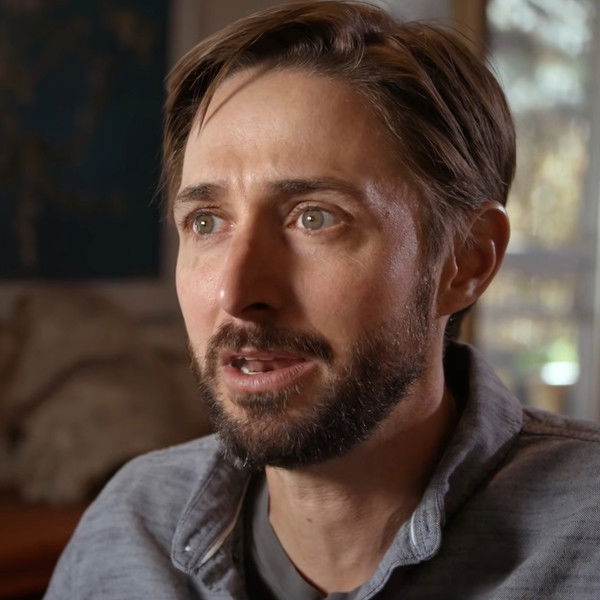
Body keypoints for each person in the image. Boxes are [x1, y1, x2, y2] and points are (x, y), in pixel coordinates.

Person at [45, 2, 600, 598]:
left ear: (466, 260)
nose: (237, 293)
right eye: (206, 222)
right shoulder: (129, 528)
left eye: (315, 218)